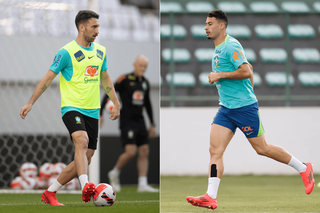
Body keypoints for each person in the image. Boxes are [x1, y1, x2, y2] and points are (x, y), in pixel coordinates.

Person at [186, 10, 314, 211]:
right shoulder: (219, 48)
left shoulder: (231, 44)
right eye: (205, 23)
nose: (205, 27)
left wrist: (220, 75)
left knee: (262, 149)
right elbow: (250, 69)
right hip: (226, 109)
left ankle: (304, 168)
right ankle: (210, 196)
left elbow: (245, 70)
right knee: (215, 150)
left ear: (222, 26)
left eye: (210, 23)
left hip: (244, 108)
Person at [20, 10, 120, 206]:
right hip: (72, 108)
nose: (97, 31)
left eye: (98, 26)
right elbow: (47, 79)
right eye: (94, 26)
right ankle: (86, 185)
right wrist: (30, 102)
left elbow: (105, 78)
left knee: (86, 157)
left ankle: (50, 192)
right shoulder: (66, 52)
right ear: (81, 27)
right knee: (80, 141)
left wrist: (116, 102)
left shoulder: (101, 51)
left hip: (92, 110)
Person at [100, 55, 158, 193]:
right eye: (140, 65)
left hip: (140, 121)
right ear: (135, 64)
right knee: (131, 151)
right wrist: (101, 113)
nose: (143, 69)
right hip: (127, 121)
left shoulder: (145, 83)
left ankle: (142, 184)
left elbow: (148, 104)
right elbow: (109, 91)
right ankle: (114, 172)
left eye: (145, 66)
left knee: (144, 151)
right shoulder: (124, 79)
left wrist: (152, 123)